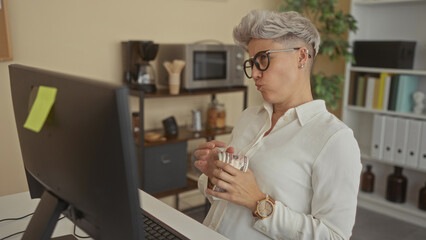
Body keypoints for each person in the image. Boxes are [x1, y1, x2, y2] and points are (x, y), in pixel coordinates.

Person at [193, 9, 362, 240]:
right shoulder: (249, 118)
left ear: (301, 57)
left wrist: (257, 202)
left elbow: (333, 236)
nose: (253, 74)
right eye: (251, 62)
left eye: (263, 59)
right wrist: (215, 177)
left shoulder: (334, 139)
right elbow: (225, 201)